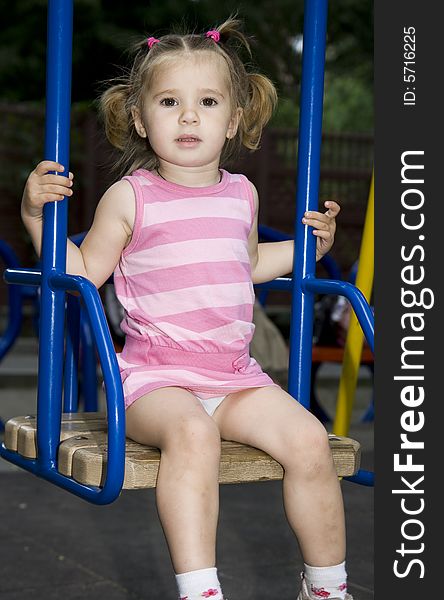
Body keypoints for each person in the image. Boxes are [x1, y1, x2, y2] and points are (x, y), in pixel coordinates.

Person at [21, 17, 351, 600]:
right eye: (170, 101)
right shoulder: (131, 196)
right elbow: (84, 273)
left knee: (308, 440)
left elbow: (243, 264)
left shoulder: (241, 194)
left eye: (208, 102)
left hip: (233, 376)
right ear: (143, 120)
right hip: (156, 380)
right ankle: (201, 590)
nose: (190, 116)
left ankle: (326, 587)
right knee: (193, 434)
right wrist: (33, 218)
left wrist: (307, 248)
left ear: (234, 120)